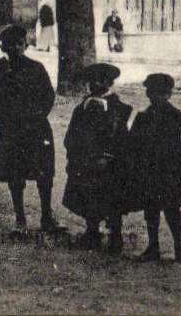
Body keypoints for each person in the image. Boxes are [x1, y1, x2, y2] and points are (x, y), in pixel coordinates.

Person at [124, 72, 181, 264]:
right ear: (148, 94)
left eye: (161, 93)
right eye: (152, 93)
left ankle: (179, 248)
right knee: (151, 211)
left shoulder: (177, 118)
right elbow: (133, 146)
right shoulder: (143, 118)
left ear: (169, 94)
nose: (156, 97)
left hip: (170, 175)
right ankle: (153, 246)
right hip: (149, 173)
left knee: (172, 210)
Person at [0, 24, 59, 234]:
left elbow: (48, 96)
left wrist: (38, 115)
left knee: (44, 174)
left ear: (25, 45)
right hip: (12, 131)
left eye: (20, 44)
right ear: (4, 48)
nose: (16, 48)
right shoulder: (1, 75)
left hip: (36, 128)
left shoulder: (37, 69)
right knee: (15, 175)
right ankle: (20, 218)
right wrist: (4, 122)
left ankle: (47, 215)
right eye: (11, 45)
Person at [62, 62, 131, 253]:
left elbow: (121, 139)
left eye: (100, 81)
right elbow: (72, 135)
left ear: (109, 83)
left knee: (112, 198)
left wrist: (109, 157)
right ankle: (92, 231)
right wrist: (75, 155)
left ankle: (115, 235)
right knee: (88, 196)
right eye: (91, 82)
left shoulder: (118, 109)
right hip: (85, 162)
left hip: (109, 164)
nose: (95, 85)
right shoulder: (82, 109)